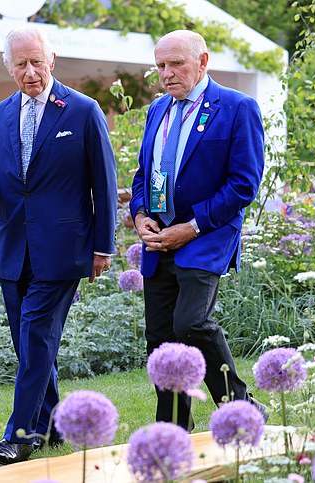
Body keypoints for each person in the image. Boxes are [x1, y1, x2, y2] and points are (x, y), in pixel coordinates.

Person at [0, 26, 117, 465]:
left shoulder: (83, 112)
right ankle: (51, 422)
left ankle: (21, 434)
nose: (30, 72)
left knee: (34, 336)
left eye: (36, 62)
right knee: (31, 344)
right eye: (20, 65)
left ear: (53, 61)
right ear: (8, 67)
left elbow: (104, 185)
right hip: (13, 248)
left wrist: (102, 246)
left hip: (64, 249)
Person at [129, 30, 266, 430]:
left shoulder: (237, 108)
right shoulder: (157, 110)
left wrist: (190, 228)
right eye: (161, 66)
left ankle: (240, 407)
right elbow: (144, 174)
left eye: (176, 64)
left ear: (202, 61)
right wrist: (140, 215)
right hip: (157, 241)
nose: (167, 74)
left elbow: (243, 185)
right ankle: (172, 427)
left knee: (189, 323)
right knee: (161, 340)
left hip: (205, 237)